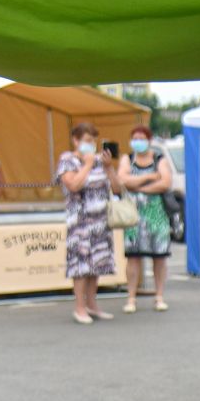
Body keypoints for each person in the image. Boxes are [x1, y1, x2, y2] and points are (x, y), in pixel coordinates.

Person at [56, 122, 123, 325]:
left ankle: (92, 304)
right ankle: (79, 307)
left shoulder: (99, 161)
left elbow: (117, 189)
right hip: (80, 222)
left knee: (97, 263)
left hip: (100, 221)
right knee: (81, 265)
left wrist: (108, 168)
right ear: (75, 140)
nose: (91, 144)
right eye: (87, 140)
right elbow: (73, 185)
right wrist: (86, 165)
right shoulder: (67, 160)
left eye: (94, 140)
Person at [116, 125, 174, 313]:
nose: (137, 142)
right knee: (133, 257)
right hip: (133, 216)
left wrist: (138, 187)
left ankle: (159, 296)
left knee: (159, 257)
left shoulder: (159, 159)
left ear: (149, 140)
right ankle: (131, 298)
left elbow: (165, 183)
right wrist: (151, 177)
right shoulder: (127, 159)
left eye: (141, 138)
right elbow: (122, 180)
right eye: (135, 138)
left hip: (157, 215)